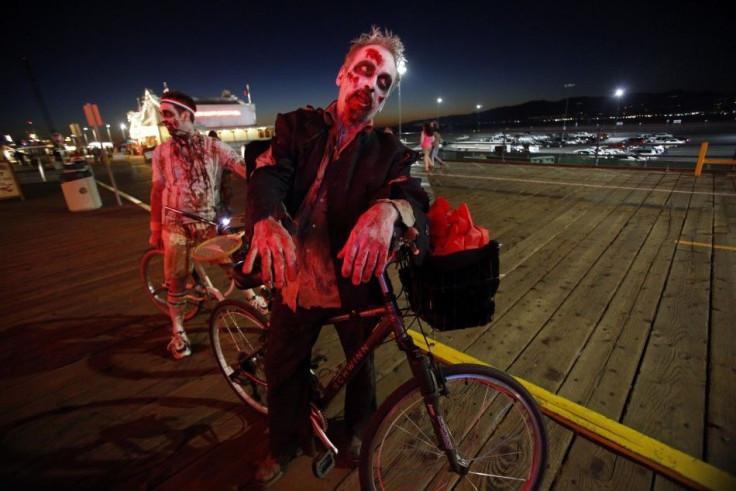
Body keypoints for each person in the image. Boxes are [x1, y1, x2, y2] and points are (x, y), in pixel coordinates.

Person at [243, 26, 430, 486]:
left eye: (383, 82)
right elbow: (268, 174)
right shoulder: (296, 127)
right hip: (295, 277)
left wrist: (391, 208)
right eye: (365, 70)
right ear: (342, 75)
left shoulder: (387, 151)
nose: (371, 84)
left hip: (352, 283)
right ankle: (282, 444)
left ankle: (357, 436)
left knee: (361, 365)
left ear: (385, 98)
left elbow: (414, 197)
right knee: (282, 367)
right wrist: (266, 216)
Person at [148, 90, 265, 360]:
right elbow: (157, 191)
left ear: (186, 115)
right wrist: (155, 229)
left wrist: (270, 179)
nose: (164, 120)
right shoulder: (161, 153)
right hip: (175, 225)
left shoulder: (214, 147)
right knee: (175, 278)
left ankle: (250, 297)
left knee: (229, 262)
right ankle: (177, 330)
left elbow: (244, 169)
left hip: (207, 222)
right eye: (162, 114)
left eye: (168, 114)